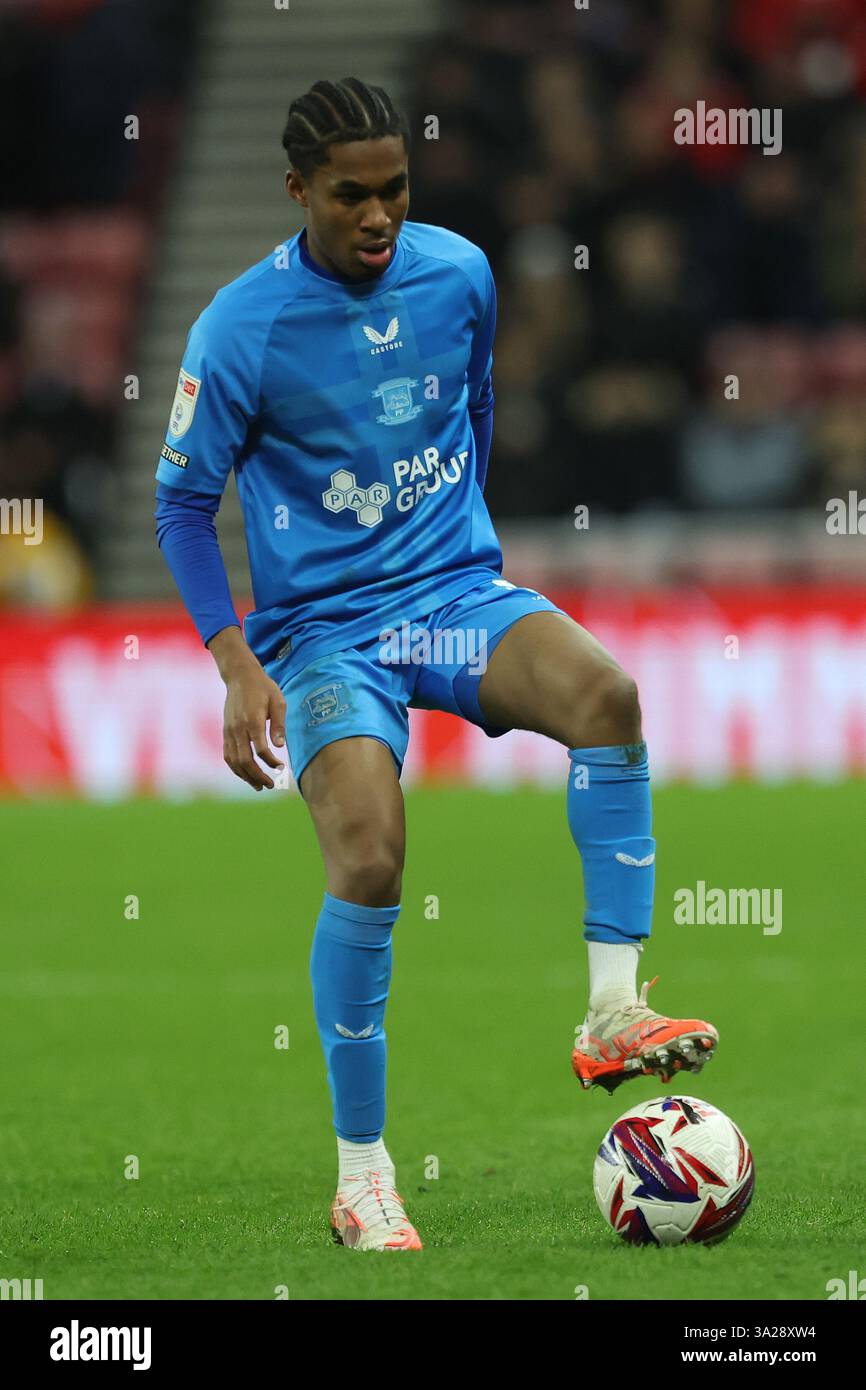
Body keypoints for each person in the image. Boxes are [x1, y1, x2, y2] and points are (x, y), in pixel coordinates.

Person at [154, 78, 717, 1253]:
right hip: (322, 633)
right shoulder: (239, 328)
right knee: (367, 853)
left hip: (449, 598)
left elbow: (475, 408)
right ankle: (363, 1178)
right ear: (297, 189)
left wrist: (458, 550)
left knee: (606, 696)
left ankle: (614, 1008)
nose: (377, 216)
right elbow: (180, 503)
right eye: (349, 196)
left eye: (395, 189)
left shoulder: (458, 274)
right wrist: (233, 659)